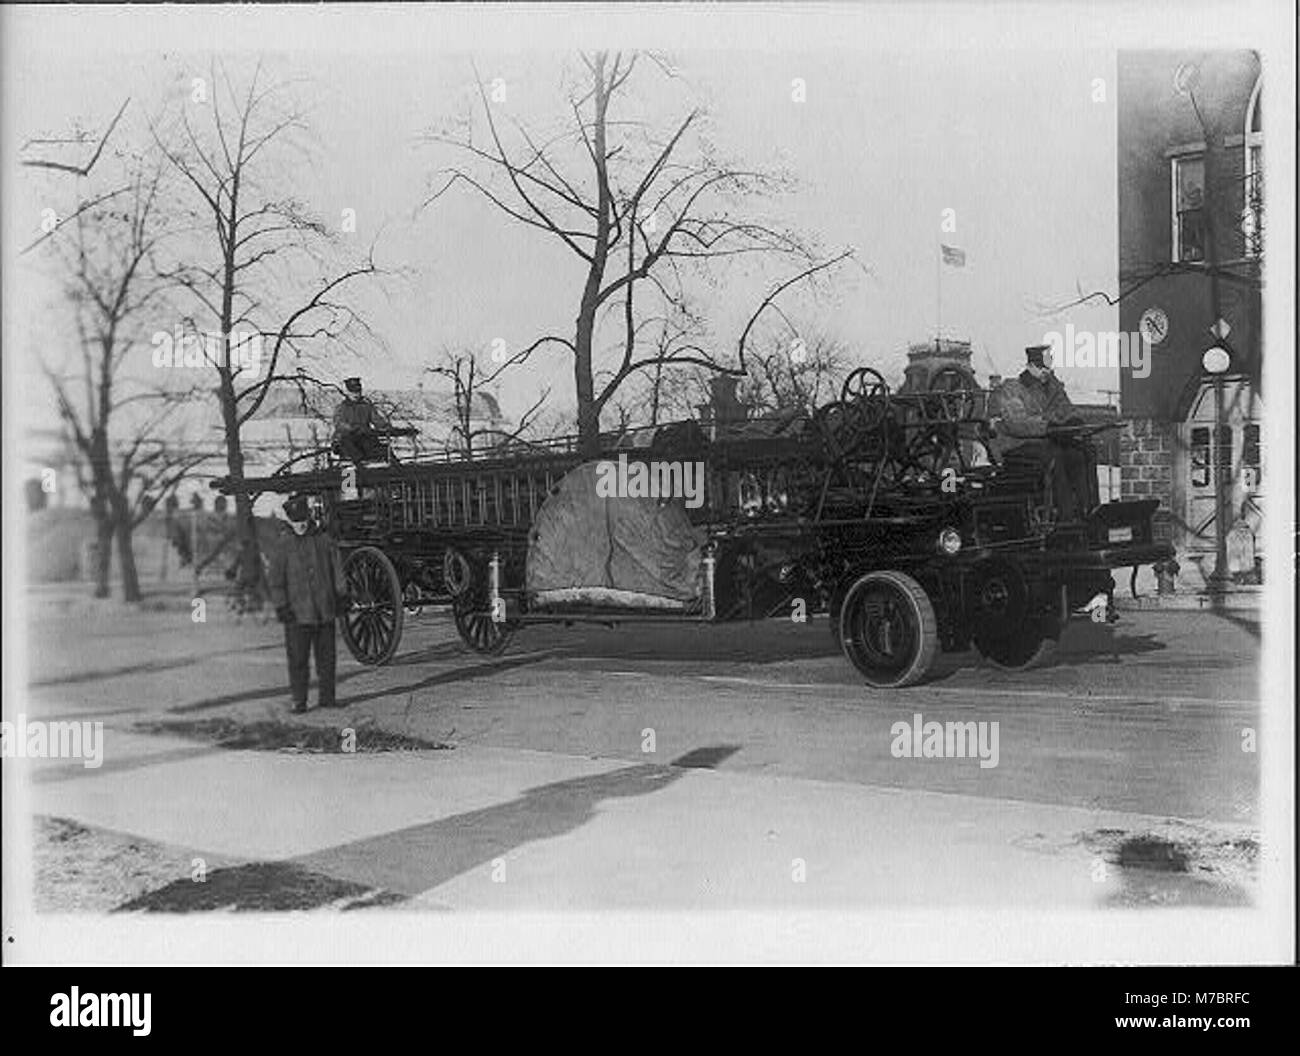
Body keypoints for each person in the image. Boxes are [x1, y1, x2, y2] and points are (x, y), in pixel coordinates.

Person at [992, 345, 1091, 521]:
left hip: (1047, 441)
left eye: (1048, 368)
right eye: (1042, 368)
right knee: (1055, 457)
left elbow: (1068, 410)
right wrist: (1048, 427)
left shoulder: (1054, 389)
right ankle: (1064, 516)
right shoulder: (1012, 389)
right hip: (1017, 446)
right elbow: (1017, 424)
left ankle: (1088, 511)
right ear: (1030, 366)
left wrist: (1074, 423)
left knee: (1082, 452)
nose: (1047, 372)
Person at [267, 495, 347, 713]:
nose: (300, 525)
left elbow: (337, 568)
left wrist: (341, 595)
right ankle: (299, 700)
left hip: (324, 611)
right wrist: (282, 606)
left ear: (309, 517)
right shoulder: (283, 546)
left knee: (327, 660)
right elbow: (275, 580)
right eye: (295, 521)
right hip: (297, 614)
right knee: (298, 660)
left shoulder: (324, 540)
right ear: (289, 521)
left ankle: (327, 699)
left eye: (303, 520)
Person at [333, 377, 389, 463]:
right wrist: (353, 428)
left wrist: (386, 427)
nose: (356, 394)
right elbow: (339, 424)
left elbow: (377, 420)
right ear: (347, 392)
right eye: (353, 392)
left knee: (379, 449)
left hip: (364, 438)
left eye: (358, 391)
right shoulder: (341, 408)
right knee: (349, 444)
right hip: (346, 440)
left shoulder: (366, 406)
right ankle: (360, 466)